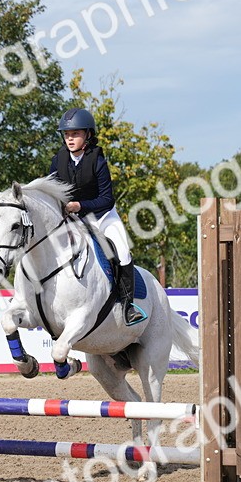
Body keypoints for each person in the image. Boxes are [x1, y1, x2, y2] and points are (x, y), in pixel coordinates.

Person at [49, 107, 147, 325]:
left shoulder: (97, 161)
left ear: (88, 135)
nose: (70, 139)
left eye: (75, 134)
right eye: (66, 134)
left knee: (122, 251)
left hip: (102, 216)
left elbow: (107, 199)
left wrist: (80, 205)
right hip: (72, 219)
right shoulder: (58, 161)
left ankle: (128, 306)